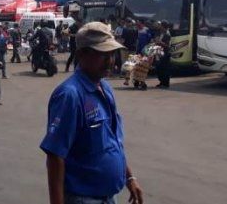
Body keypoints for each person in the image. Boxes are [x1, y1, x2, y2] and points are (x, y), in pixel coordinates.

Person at [40, 22, 144, 204]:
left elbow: (112, 143)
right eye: (102, 55)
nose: (110, 61)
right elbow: (55, 156)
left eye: (111, 54)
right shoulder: (70, 95)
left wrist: (130, 178)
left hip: (108, 197)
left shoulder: (105, 88)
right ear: (81, 54)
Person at [155, 21, 173, 88]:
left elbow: (167, 45)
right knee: (159, 69)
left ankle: (165, 83)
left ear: (163, 26)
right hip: (159, 53)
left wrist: (160, 42)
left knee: (165, 69)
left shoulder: (168, 34)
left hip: (165, 54)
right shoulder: (160, 33)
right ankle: (161, 82)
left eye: (161, 26)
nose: (160, 27)